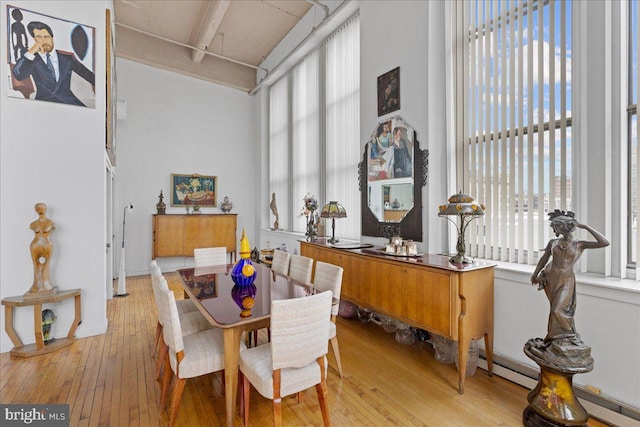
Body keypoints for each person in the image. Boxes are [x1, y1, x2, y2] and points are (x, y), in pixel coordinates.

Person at [530, 210, 609, 348]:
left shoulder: (579, 244)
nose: (553, 229)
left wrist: (585, 227)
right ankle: (554, 340)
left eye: (555, 226)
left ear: (563, 226)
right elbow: (544, 259)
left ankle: (568, 337)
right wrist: (535, 273)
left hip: (566, 281)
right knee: (554, 311)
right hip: (550, 279)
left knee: (558, 311)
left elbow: (604, 242)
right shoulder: (553, 243)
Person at [12, 21, 95, 106]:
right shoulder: (32, 58)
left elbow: (90, 76)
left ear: (52, 38)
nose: (44, 41)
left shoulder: (67, 58)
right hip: (43, 104)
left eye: (46, 37)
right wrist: (31, 51)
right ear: (34, 39)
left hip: (69, 102)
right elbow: (18, 75)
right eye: (39, 37)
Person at [28, 203, 56, 294]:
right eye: (37, 208)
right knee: (36, 266)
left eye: (41, 207)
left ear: (45, 209)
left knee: (46, 265)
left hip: (47, 245)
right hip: (34, 246)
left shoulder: (51, 223)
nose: (39, 209)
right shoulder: (33, 224)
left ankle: (46, 285)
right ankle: (36, 286)